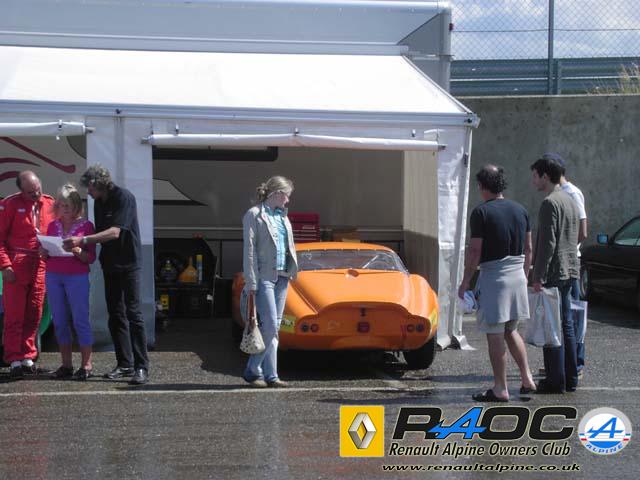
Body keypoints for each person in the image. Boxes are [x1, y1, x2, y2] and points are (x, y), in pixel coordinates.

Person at [63, 165, 149, 385]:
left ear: (98, 183)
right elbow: (99, 232)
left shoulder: (124, 198)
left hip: (129, 263)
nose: (88, 192)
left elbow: (114, 232)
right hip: (110, 264)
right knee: (115, 314)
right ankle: (125, 364)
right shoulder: (99, 202)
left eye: (90, 188)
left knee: (134, 314)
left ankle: (141, 367)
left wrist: (82, 240)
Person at [459, 165, 536, 402]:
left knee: (495, 333)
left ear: (481, 186)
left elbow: (475, 251)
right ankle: (527, 379)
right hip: (518, 275)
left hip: (495, 278)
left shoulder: (481, 212)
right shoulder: (521, 210)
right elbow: (528, 248)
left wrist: (465, 282)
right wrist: (524, 275)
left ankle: (500, 388)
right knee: (511, 330)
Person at [530, 155, 580, 394]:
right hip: (570, 269)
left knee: (552, 327)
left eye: (535, 176)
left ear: (545, 176)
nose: (533, 180)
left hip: (555, 272)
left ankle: (555, 380)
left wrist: (538, 275)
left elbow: (547, 244)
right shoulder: (570, 199)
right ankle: (571, 377)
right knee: (566, 325)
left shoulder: (550, 203)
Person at [242, 176, 298, 388]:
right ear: (277, 193)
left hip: (283, 276)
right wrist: (251, 282)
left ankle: (271, 375)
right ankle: (252, 370)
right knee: (271, 325)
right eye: (287, 195)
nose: (288, 200)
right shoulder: (254, 214)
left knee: (274, 328)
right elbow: (249, 251)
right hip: (264, 276)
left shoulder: (283, 217)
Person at [0, 171, 55, 379]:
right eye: (31, 192)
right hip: (17, 264)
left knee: (34, 312)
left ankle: (28, 358)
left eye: (38, 189)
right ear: (21, 190)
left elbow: (57, 231)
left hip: (40, 263)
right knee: (14, 314)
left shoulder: (50, 203)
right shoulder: (10, 205)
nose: (36, 194)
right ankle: (14, 359)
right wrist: (5, 266)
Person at [43, 184, 96, 380]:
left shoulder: (87, 226)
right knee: (59, 320)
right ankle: (66, 365)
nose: (64, 209)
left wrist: (78, 251)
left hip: (77, 276)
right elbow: (47, 254)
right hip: (53, 275)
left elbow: (90, 258)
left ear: (76, 206)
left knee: (80, 319)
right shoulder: (52, 225)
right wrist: (43, 252)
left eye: (68, 205)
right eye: (61, 205)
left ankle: (86, 364)